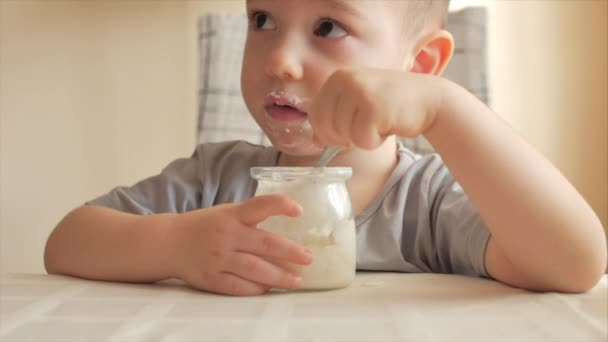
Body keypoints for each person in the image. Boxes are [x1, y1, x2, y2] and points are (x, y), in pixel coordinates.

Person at [44, 0, 607, 296]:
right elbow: (67, 241)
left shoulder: (429, 204)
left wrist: (445, 108)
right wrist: (175, 244)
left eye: (329, 27)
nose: (279, 61)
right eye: (261, 19)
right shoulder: (215, 182)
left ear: (419, 66)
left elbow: (576, 263)